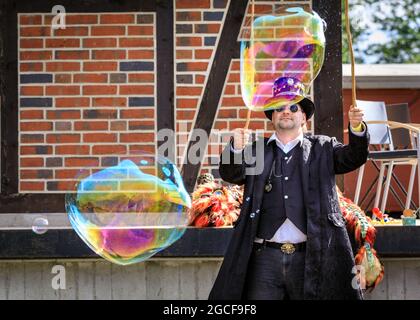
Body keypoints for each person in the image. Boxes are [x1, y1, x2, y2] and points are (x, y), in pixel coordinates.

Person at [208, 76, 369, 300]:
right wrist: (235, 147)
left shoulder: (322, 147)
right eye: (279, 108)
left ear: (303, 116)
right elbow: (231, 174)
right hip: (264, 258)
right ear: (272, 117)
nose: (286, 111)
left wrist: (356, 128)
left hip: (311, 256)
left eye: (293, 107)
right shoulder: (256, 150)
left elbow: (354, 157)